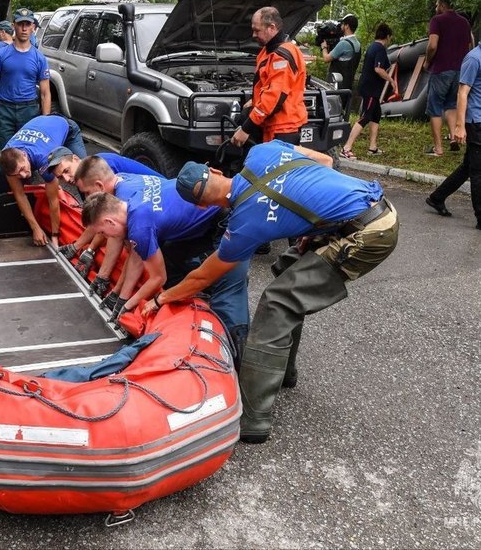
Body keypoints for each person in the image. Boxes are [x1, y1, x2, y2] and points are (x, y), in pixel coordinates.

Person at [140, 140, 399, 443]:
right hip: (368, 209)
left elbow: (200, 279)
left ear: (201, 205)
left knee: (278, 302)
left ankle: (253, 419)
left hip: (369, 235)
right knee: (286, 272)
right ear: (214, 170)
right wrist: (312, 224)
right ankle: (283, 373)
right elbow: (325, 164)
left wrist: (161, 298)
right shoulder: (263, 151)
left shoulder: (244, 225)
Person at [80, 167, 251, 354]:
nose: (106, 236)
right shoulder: (129, 195)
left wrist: (127, 306)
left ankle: (236, 362)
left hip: (225, 216)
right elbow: (137, 258)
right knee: (170, 259)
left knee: (228, 295)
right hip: (202, 219)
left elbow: (157, 278)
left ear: (110, 222)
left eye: (103, 232)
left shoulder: (140, 228)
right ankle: (197, 289)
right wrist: (120, 297)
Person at [53, 150, 164, 293]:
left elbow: (115, 233)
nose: (66, 179)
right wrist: (82, 248)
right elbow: (101, 223)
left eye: (66, 171)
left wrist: (111, 285)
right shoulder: (93, 174)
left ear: (75, 158)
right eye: (61, 177)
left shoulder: (108, 174)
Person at [0, 7, 50, 192]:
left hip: (28, 111)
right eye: (20, 24)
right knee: (3, 157)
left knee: (27, 157)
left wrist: (45, 120)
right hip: (4, 110)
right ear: (14, 26)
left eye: (27, 24)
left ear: (33, 28)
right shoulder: (1, 54)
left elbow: (45, 92)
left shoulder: (39, 58)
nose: (23, 28)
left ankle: (24, 199)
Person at [0, 115, 86, 247]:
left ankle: (90, 218)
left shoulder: (43, 158)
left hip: (66, 128)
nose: (24, 175)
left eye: (23, 168)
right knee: (2, 180)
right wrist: (35, 228)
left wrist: (55, 236)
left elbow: (53, 200)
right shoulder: (8, 160)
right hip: (42, 126)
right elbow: (19, 195)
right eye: (18, 174)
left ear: (25, 156)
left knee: (83, 174)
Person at [232, 6, 307, 148]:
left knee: (275, 170)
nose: (253, 35)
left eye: (257, 30)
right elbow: (266, 86)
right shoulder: (267, 52)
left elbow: (274, 97)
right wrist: (254, 102)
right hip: (270, 125)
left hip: (283, 128)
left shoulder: (281, 56)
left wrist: (246, 129)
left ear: (271, 27)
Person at [425, 41, 481, 230]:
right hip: (475, 121)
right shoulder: (473, 59)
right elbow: (462, 93)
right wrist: (459, 126)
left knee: (468, 166)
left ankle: (437, 197)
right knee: (478, 170)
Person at [422, 0, 473, 157]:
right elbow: (470, 45)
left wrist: (427, 62)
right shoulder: (464, 23)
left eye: (437, 4)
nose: (436, 7)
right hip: (460, 71)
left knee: (435, 108)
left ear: (443, 5)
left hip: (441, 69)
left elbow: (432, 45)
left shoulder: (437, 21)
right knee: (451, 104)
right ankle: (453, 137)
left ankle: (438, 149)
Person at [339, 23, 397, 160]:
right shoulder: (380, 49)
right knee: (366, 116)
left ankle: (372, 146)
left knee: (376, 115)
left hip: (370, 87)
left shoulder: (372, 46)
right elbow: (378, 69)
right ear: (387, 36)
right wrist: (391, 80)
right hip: (371, 88)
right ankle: (346, 147)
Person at [321, 14, 361, 91]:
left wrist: (324, 47)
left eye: (342, 24)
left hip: (337, 85)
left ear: (347, 26)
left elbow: (326, 59)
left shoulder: (344, 43)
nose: (341, 26)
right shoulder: (357, 43)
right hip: (347, 85)